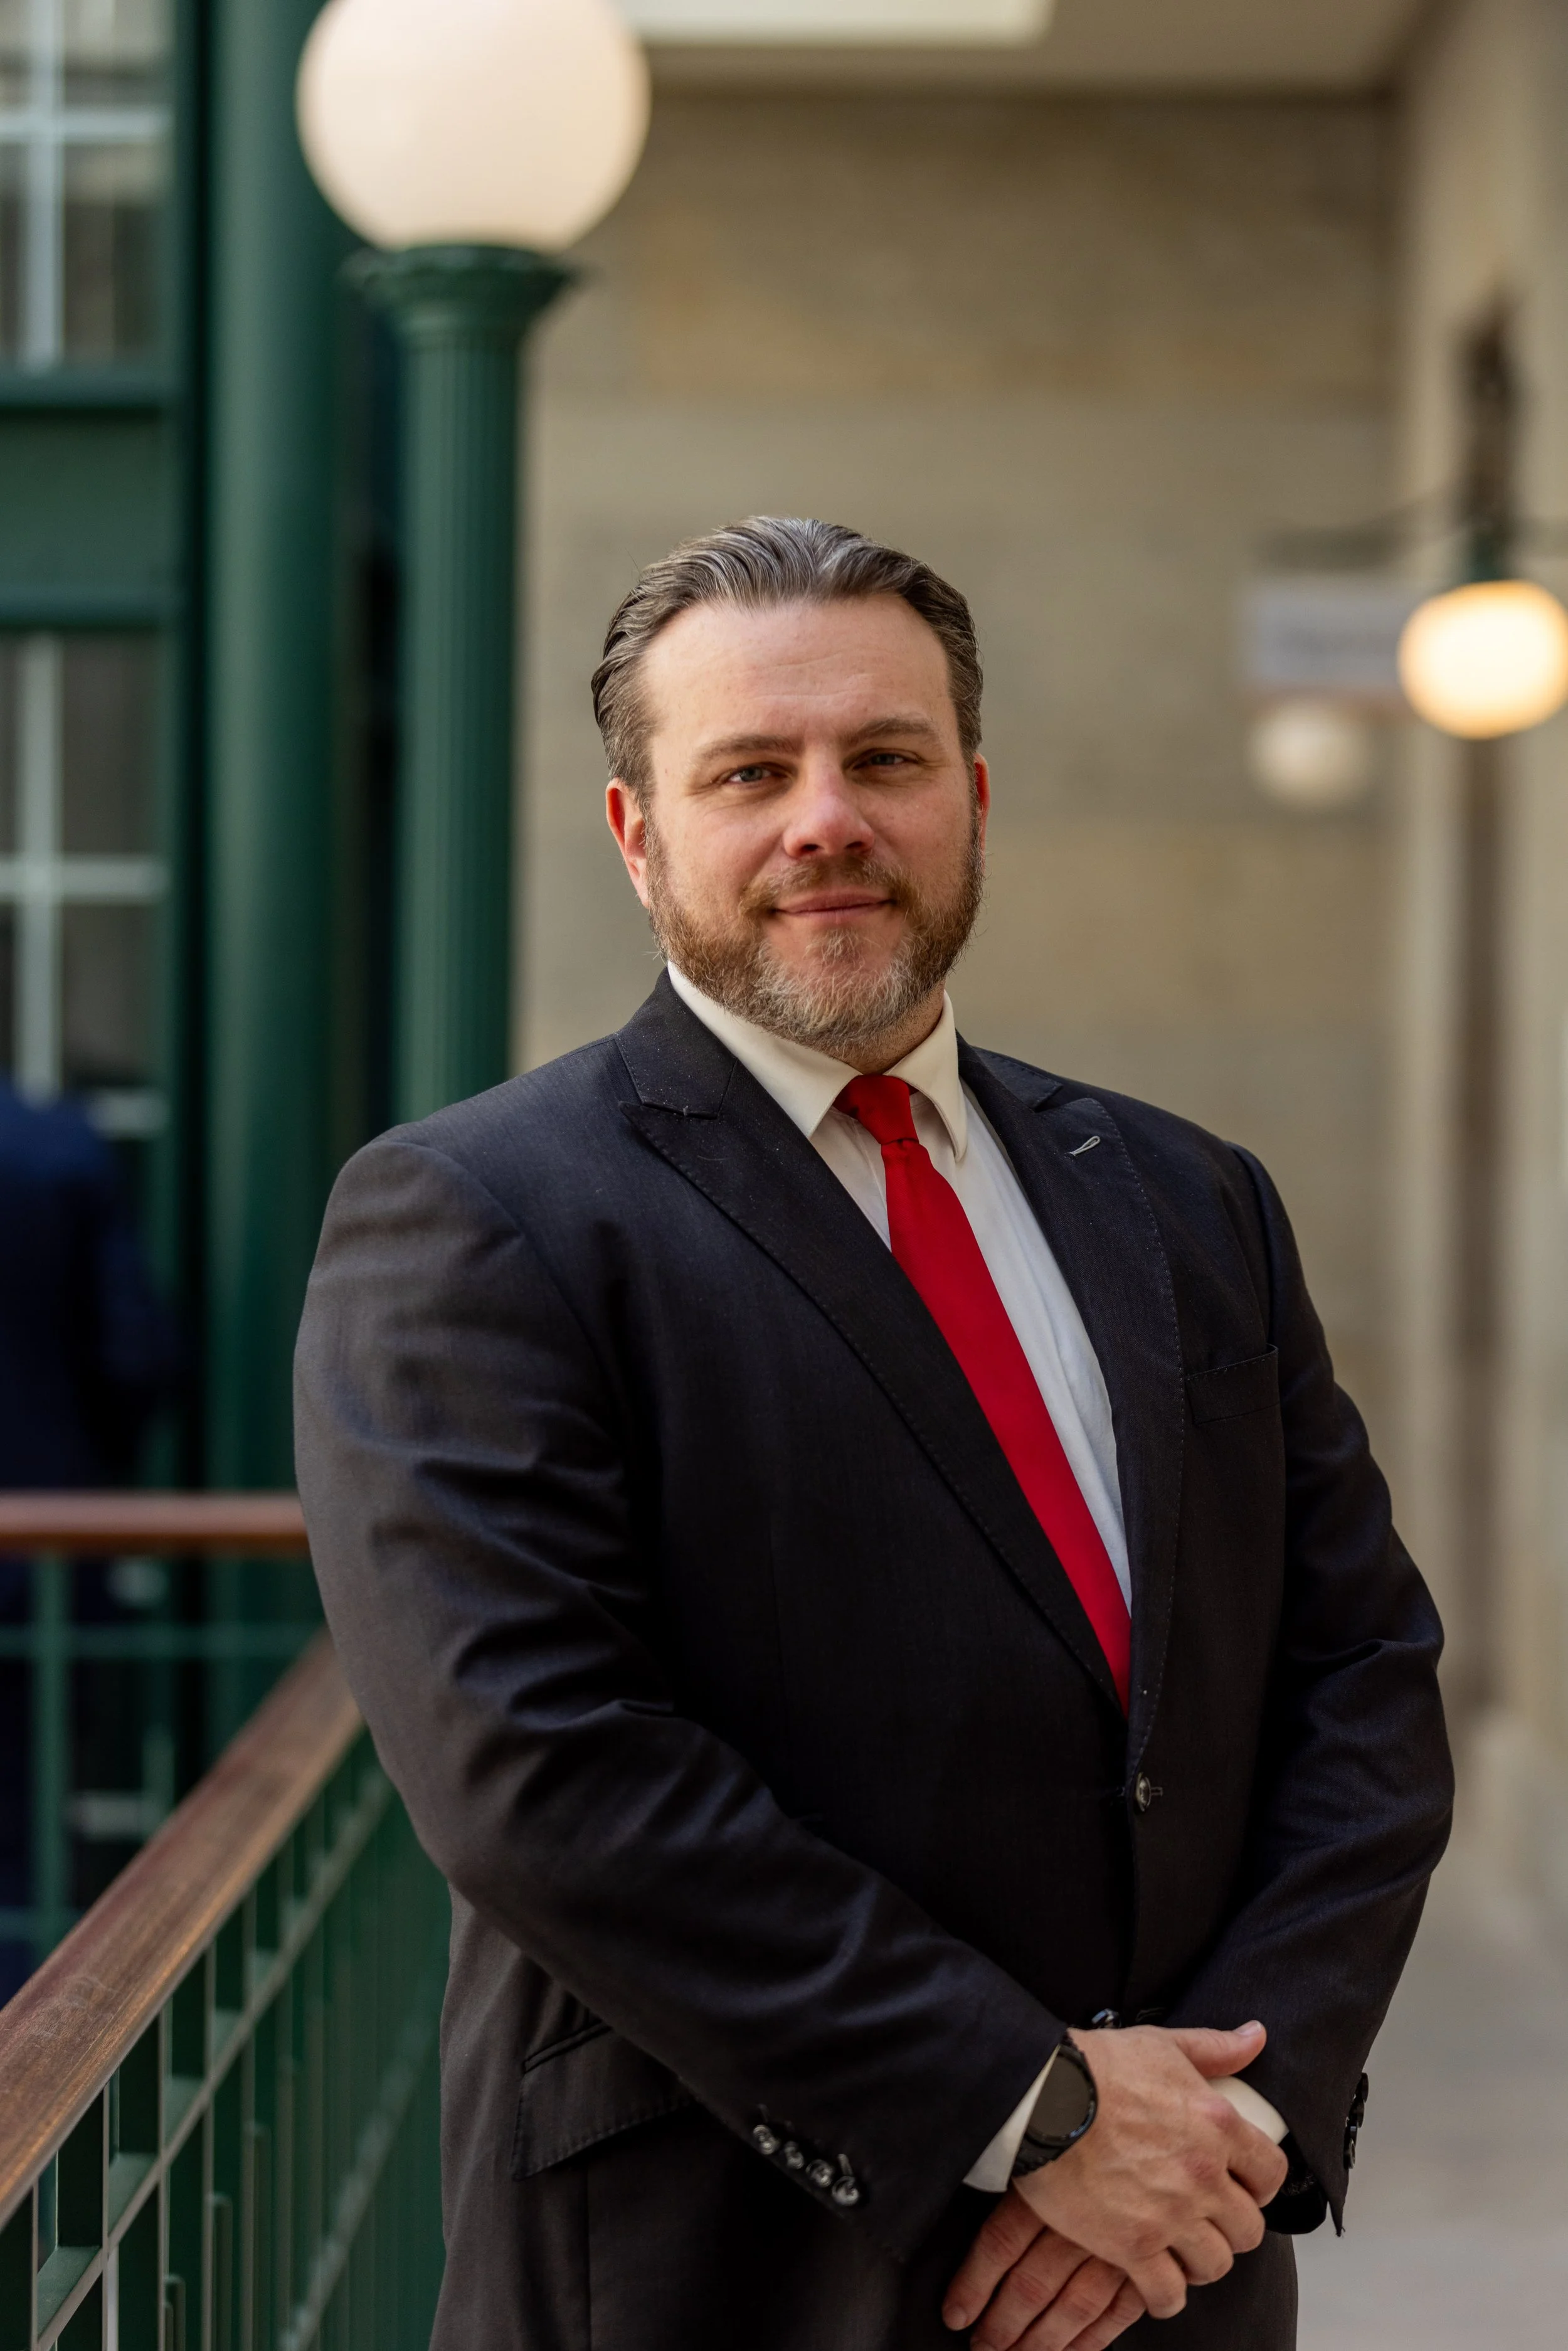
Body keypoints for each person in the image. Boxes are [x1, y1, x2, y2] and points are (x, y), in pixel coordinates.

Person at [295, 518, 1452, 2351]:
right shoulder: (478, 1216)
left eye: (885, 759)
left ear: (971, 800)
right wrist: (1034, 2110)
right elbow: (541, 1765)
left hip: (1176, 2261)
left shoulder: (1186, 1196)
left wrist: (1237, 2113)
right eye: (750, 772)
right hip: (729, 2266)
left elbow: (1363, 1672)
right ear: (637, 834)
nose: (825, 820)